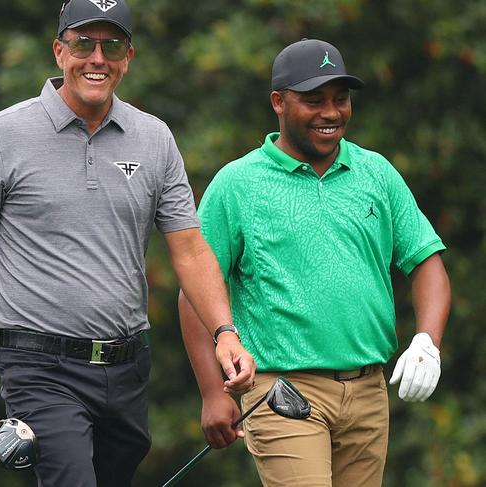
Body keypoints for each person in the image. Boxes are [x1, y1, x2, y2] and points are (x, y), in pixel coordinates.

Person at [0, 1, 255, 486]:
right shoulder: (3, 135)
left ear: (128, 56)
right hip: (39, 365)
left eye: (112, 45)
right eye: (84, 44)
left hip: (126, 366)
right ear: (59, 51)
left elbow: (188, 249)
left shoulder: (154, 138)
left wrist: (225, 332)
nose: (97, 58)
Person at [179, 38, 451, 487]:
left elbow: (427, 263)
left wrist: (428, 340)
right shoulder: (238, 184)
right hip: (281, 390)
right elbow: (195, 293)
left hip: (368, 391)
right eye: (314, 101)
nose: (331, 112)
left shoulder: (376, 174)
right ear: (278, 103)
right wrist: (213, 392)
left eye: (340, 100)